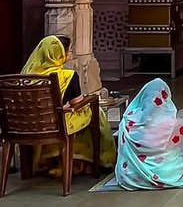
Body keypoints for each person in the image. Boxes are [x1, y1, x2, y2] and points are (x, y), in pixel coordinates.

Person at [21, 34, 115, 174]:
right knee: (95, 112)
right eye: (68, 50)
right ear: (59, 54)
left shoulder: (26, 77)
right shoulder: (68, 76)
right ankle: (94, 161)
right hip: (56, 124)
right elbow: (77, 102)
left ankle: (51, 159)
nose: (70, 53)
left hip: (29, 125)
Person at [116, 78, 183, 189]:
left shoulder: (128, 121)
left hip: (133, 176)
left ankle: (143, 175)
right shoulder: (171, 123)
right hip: (169, 171)